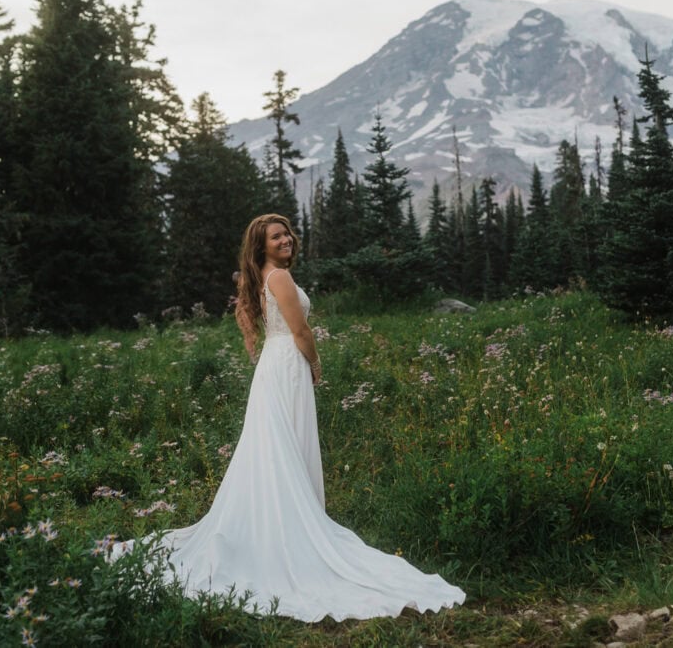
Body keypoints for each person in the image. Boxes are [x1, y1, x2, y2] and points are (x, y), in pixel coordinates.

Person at [114, 213, 465, 622]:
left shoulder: (265, 274)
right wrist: (316, 364)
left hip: (275, 365)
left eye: (287, 233)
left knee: (275, 450)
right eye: (276, 236)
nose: (286, 240)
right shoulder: (277, 278)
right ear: (261, 245)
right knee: (282, 448)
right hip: (287, 364)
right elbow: (301, 331)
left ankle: (277, 528)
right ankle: (290, 535)